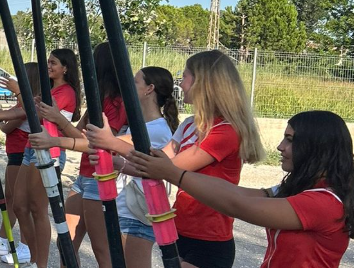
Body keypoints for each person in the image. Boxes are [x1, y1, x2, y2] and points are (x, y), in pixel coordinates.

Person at [130, 110, 353, 268]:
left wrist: (173, 173)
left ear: (316, 147)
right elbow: (236, 193)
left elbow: (237, 205)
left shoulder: (324, 202)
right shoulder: (302, 189)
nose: (280, 146)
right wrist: (174, 173)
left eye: (290, 139)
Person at [143, 49, 264, 268]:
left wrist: (114, 145)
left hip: (209, 239)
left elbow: (167, 167)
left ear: (204, 82)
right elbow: (159, 158)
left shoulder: (225, 131)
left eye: (186, 75)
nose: (180, 82)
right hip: (181, 229)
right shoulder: (190, 124)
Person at [30, 42, 127, 268]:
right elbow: (79, 134)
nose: (88, 67)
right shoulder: (99, 98)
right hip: (84, 177)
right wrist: (55, 115)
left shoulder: (116, 103)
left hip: (99, 178)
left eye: (93, 61)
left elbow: (97, 145)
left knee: (102, 250)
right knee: (66, 241)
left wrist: (58, 120)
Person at [84, 66, 181, 268]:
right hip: (127, 210)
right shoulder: (140, 126)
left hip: (137, 213)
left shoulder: (155, 130)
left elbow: (105, 143)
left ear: (149, 89)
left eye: (135, 81)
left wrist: (58, 131)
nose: (128, 86)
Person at [0, 65, 43, 265]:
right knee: (11, 198)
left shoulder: (30, 103)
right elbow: (3, 122)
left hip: (20, 151)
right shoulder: (24, 102)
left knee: (21, 202)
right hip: (15, 152)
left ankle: (24, 245)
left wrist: (2, 118)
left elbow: (7, 125)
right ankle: (2, 238)